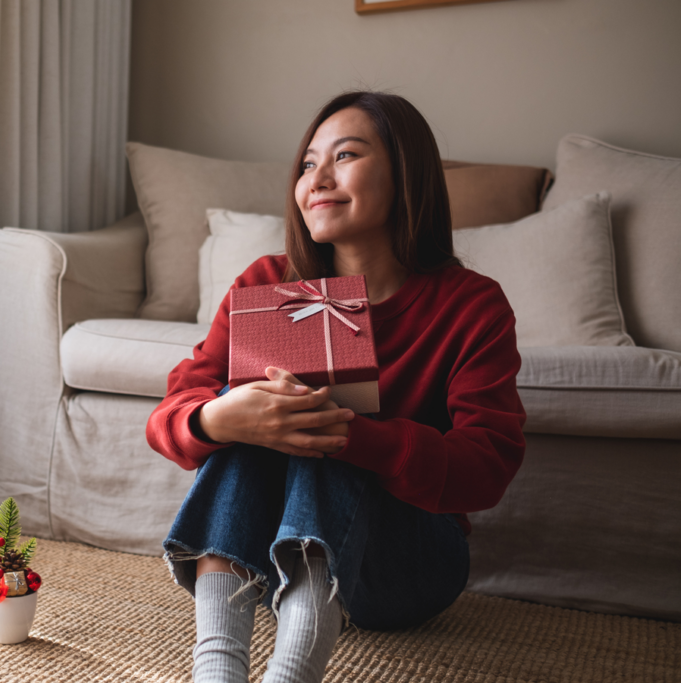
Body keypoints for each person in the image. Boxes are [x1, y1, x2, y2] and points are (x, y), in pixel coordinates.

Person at [146, 91, 527, 683]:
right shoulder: (268, 283)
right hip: (274, 560)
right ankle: (215, 672)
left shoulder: (471, 304)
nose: (317, 179)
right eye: (306, 164)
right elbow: (170, 414)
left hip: (409, 567)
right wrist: (219, 419)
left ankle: (292, 673)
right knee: (260, 421)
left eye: (344, 156)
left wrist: (358, 439)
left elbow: (489, 467)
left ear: (406, 172)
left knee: (321, 430)